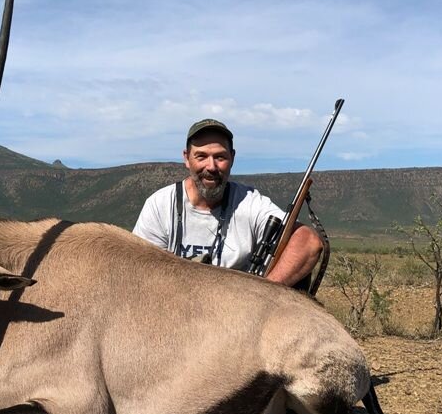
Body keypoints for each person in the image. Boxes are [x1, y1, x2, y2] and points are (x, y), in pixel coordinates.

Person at [133, 118, 323, 287]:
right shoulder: (160, 204)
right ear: (187, 158)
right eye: (201, 156)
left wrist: (264, 292)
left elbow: (309, 242)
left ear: (232, 157)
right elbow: (139, 270)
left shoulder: (249, 202)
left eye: (220, 157)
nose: (211, 167)